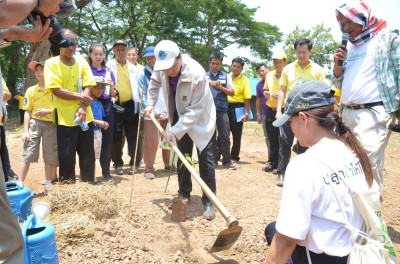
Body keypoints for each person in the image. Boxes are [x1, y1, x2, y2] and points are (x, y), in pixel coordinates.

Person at [265, 80, 375, 264]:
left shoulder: (304, 165)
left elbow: (287, 239)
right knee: (272, 229)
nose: (291, 128)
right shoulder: (355, 152)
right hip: (356, 253)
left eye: (291, 121)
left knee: (276, 234)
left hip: (323, 259)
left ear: (303, 118)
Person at [0, 0, 62, 261]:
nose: (57, 10)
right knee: (8, 237)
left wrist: (19, 33)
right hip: (33, 124)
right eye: (58, 2)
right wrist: (37, 3)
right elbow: (3, 11)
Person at [144, 40, 217, 220]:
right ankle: (184, 191)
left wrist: (174, 131)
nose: (169, 71)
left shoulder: (197, 73)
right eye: (165, 68)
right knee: (183, 156)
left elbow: (195, 110)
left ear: (180, 57)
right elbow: (154, 84)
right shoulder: (161, 67)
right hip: (178, 114)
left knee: (205, 159)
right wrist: (150, 103)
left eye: (172, 66)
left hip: (201, 117)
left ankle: (209, 200)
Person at [333, 0, 399, 194]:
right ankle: (358, 215)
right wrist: (337, 67)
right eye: (342, 24)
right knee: (350, 164)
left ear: (361, 18)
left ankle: (373, 220)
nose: (345, 28)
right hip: (347, 114)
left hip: (374, 113)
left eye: (349, 22)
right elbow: (338, 83)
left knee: (368, 165)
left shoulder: (387, 38)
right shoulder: (349, 47)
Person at [45, 28, 97, 184]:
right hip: (64, 118)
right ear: (59, 44)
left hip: (85, 117)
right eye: (66, 43)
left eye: (73, 43)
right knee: (67, 157)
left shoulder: (82, 61)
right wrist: (81, 97)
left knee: (88, 155)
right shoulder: (51, 63)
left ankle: (88, 186)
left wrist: (82, 106)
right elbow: (56, 89)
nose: (70, 47)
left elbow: (88, 84)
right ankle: (68, 190)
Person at [275, 39, 326, 186]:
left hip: (308, 113)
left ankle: (302, 174)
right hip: (290, 112)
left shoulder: (318, 70)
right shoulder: (288, 69)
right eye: (298, 52)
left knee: (305, 143)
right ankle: (281, 173)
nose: (301, 55)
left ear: (310, 52)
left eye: (304, 52)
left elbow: (322, 91)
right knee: (285, 142)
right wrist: (279, 110)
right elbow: (282, 90)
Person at [18, 61, 58, 193]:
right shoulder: (31, 90)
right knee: (28, 153)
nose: (39, 72)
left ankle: (48, 184)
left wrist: (49, 111)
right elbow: (27, 111)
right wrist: (25, 131)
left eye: (42, 69)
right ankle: (20, 183)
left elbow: (60, 108)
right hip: (35, 124)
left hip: (51, 125)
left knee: (50, 155)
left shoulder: (55, 90)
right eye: (37, 70)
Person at [107, 40, 140, 175]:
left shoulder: (133, 68)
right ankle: (117, 163)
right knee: (116, 135)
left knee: (133, 135)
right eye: (118, 49)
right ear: (114, 51)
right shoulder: (109, 66)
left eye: (123, 49)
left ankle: (134, 162)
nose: (120, 52)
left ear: (127, 51)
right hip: (115, 105)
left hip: (131, 105)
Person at [138, 46, 170, 179]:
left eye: (153, 57)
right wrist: (154, 111)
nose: (151, 60)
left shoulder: (167, 70)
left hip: (167, 110)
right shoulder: (143, 74)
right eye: (148, 57)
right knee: (151, 141)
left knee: (169, 138)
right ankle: (149, 168)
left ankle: (169, 165)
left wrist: (170, 109)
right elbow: (143, 95)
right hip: (151, 113)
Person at [88, 43, 117, 181]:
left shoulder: (108, 71)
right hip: (90, 104)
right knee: (89, 138)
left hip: (106, 105)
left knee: (107, 139)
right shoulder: (86, 70)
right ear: (90, 55)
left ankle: (106, 171)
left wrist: (111, 86)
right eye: (95, 54)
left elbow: (113, 94)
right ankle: (89, 172)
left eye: (101, 54)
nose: (98, 57)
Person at [207, 52, 236, 170]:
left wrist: (221, 88)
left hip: (222, 110)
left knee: (224, 135)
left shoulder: (226, 76)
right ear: (209, 63)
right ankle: (213, 161)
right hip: (208, 110)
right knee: (211, 136)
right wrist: (206, 87)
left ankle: (227, 161)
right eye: (213, 63)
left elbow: (232, 92)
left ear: (221, 64)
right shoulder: (204, 76)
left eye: (217, 64)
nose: (215, 66)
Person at [262, 53, 288, 174]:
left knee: (283, 138)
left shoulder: (288, 74)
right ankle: (273, 162)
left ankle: (282, 165)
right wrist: (266, 93)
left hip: (283, 110)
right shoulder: (269, 75)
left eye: (279, 62)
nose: (276, 64)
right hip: (270, 109)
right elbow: (265, 89)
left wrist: (282, 95)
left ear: (285, 62)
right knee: (272, 138)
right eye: (274, 62)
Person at [227, 57, 251, 163]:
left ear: (242, 69)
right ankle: (219, 154)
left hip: (238, 107)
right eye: (233, 66)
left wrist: (246, 113)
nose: (235, 68)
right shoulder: (227, 77)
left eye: (238, 67)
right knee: (224, 132)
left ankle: (234, 156)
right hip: (225, 106)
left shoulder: (245, 80)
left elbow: (247, 98)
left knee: (237, 134)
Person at [90, 76, 110, 181]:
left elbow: (100, 118)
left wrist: (104, 124)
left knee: (94, 156)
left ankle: (92, 176)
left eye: (101, 88)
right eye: (96, 87)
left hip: (98, 132)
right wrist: (98, 122)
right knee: (89, 156)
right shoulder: (88, 102)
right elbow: (87, 118)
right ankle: (88, 177)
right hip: (90, 133)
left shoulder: (99, 103)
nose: (99, 90)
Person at [255, 63, 271, 165]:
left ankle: (281, 158)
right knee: (268, 136)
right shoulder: (259, 85)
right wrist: (258, 114)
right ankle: (271, 157)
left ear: (268, 70)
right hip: (265, 113)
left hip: (277, 111)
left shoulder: (276, 81)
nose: (261, 73)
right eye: (259, 72)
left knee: (279, 136)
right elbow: (258, 100)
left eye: (263, 70)